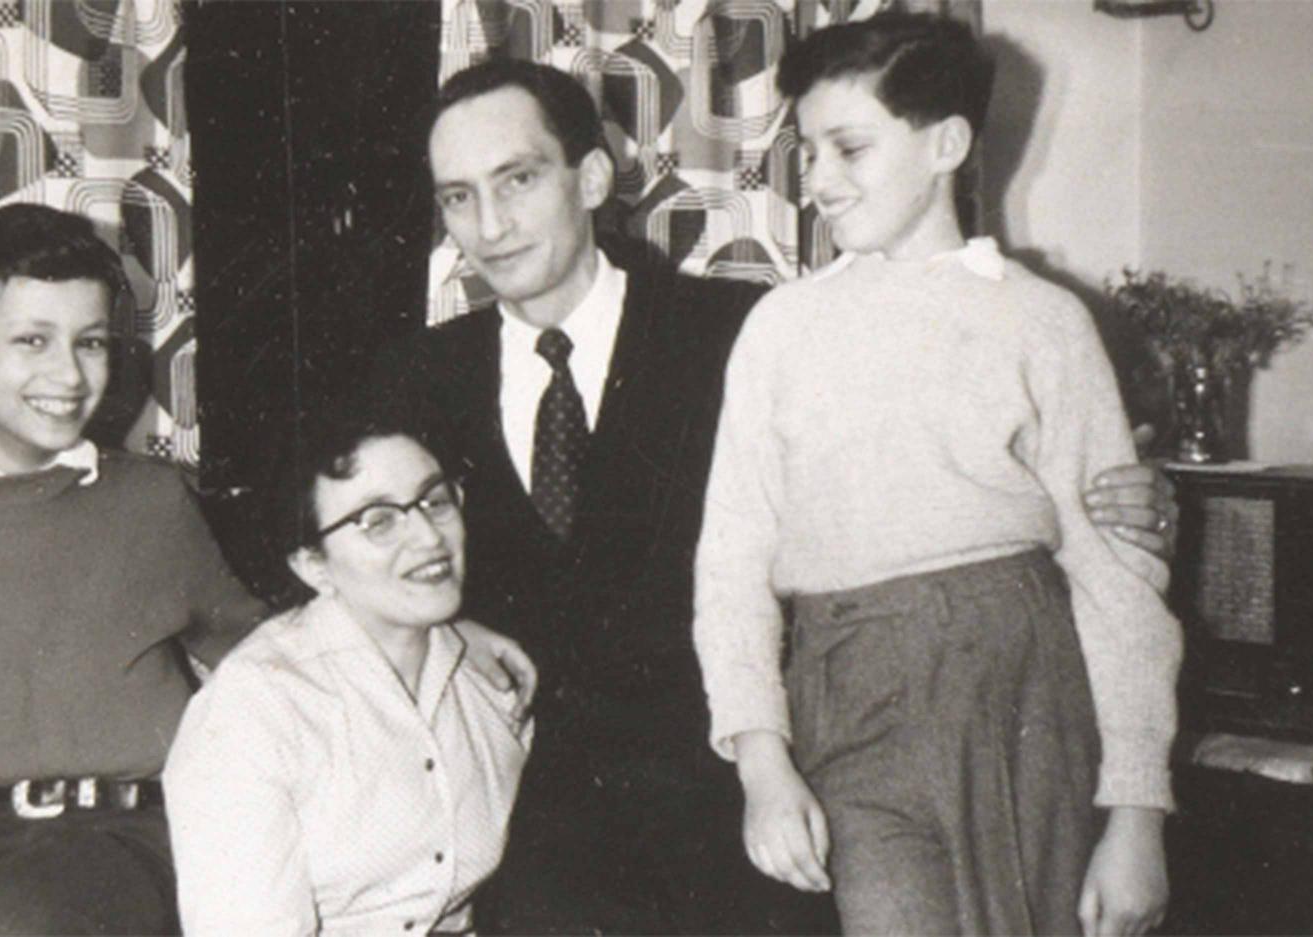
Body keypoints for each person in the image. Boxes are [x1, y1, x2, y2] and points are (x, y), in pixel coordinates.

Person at [372, 58, 1179, 935]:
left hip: (764, 784)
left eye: (517, 180)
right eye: (456, 198)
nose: (488, 226)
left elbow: (943, 461)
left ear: (592, 176)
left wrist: (1134, 498)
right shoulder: (417, 378)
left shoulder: (745, 328)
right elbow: (311, 545)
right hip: (549, 812)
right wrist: (441, 620)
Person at [0, 204, 533, 937]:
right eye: (32, 341)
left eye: (92, 341)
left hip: (140, 842)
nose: (69, 374)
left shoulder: (149, 499)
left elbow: (277, 652)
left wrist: (435, 625)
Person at [693, 14, 1180, 937]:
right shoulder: (780, 332)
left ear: (947, 143)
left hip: (1028, 689)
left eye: (851, 148)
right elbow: (730, 564)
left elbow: (1118, 582)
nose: (820, 180)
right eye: (809, 151)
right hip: (850, 690)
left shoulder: (1045, 323)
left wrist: (1137, 815)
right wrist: (762, 762)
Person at [164, 415, 531, 935]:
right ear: (313, 566)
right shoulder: (258, 709)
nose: (428, 536)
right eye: (378, 521)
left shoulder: (490, 681)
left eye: (436, 500)